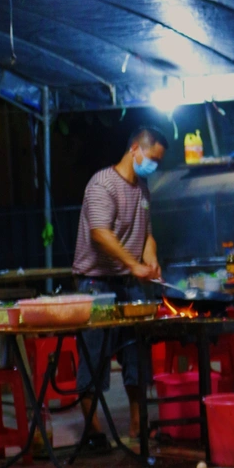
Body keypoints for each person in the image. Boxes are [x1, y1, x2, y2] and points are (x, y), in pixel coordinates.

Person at [72, 125, 168, 447]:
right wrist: (133, 264)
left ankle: (139, 424)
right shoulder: (102, 184)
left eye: (158, 162)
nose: (153, 166)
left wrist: (150, 260)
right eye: (152, 159)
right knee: (94, 355)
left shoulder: (142, 189)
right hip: (95, 284)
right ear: (135, 149)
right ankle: (93, 431)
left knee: (137, 352)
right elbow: (100, 233)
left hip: (129, 284)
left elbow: (148, 235)